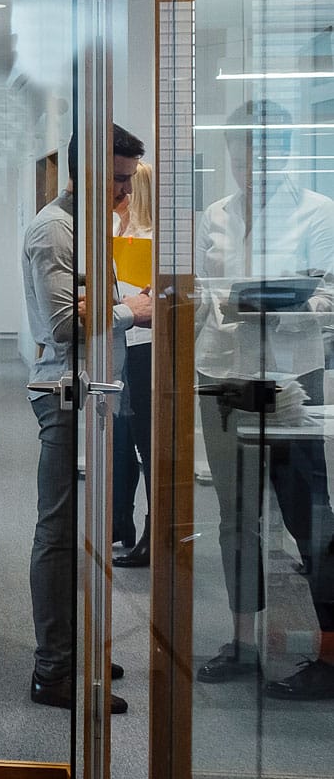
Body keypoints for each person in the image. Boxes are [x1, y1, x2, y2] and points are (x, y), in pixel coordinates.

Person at [193, 99, 334, 699]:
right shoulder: (212, 217)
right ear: (230, 154)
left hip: (291, 377)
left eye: (268, 148)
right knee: (235, 521)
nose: (254, 161)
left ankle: (329, 655)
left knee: (310, 518)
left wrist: (276, 303)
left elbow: (331, 301)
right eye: (243, 149)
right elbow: (201, 292)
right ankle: (243, 641)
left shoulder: (319, 215)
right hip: (223, 374)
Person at [21, 125, 151, 712]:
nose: (126, 194)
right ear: (89, 174)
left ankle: (79, 650)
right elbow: (62, 326)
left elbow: (91, 306)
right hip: (64, 393)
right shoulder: (55, 229)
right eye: (119, 181)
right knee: (57, 530)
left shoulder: (94, 227)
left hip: (100, 389)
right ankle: (53, 670)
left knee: (90, 530)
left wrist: (120, 302)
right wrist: (129, 309)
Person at [111, 160, 155, 567]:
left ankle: (151, 532)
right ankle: (119, 519)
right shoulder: (112, 229)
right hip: (119, 344)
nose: (120, 194)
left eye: (126, 186)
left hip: (145, 349)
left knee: (146, 444)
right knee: (119, 441)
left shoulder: (152, 238)